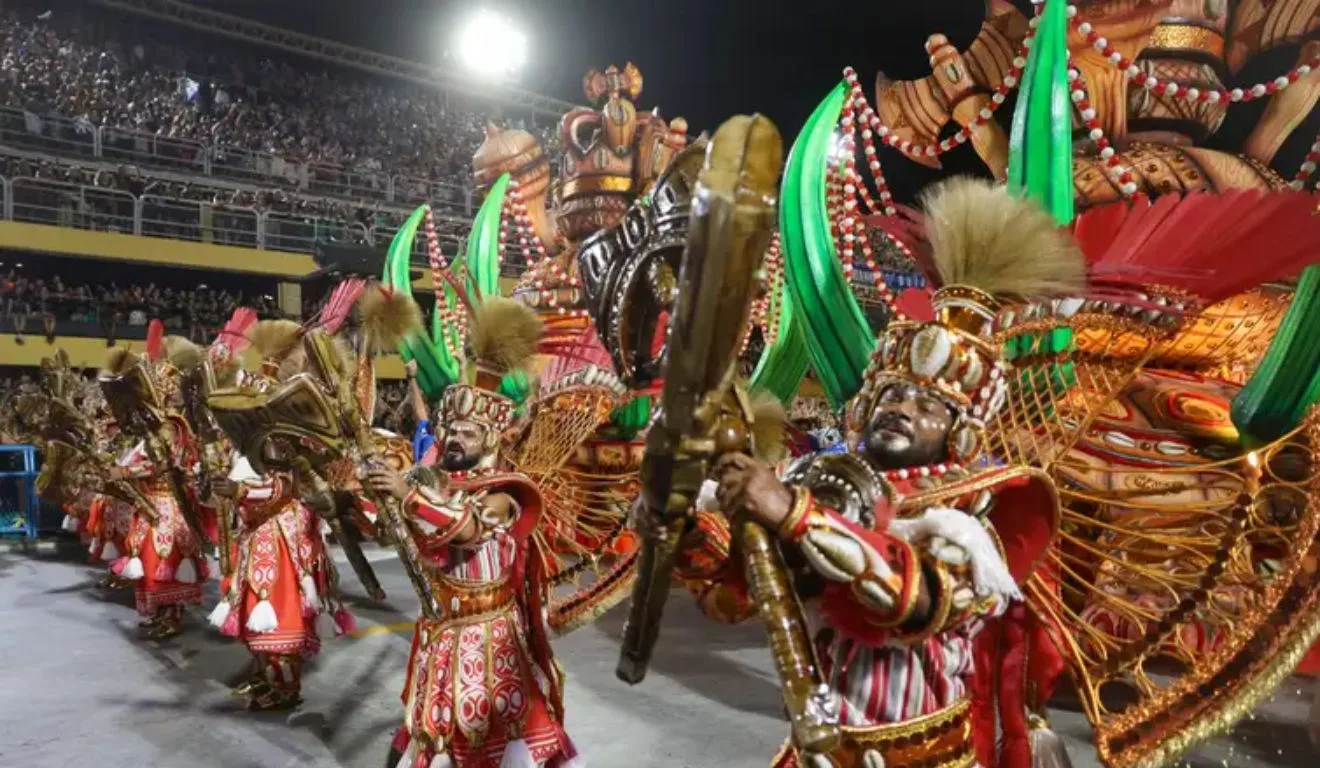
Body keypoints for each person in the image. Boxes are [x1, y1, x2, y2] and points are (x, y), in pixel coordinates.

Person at [656, 178, 1080, 768]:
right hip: (819, 749)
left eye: (927, 405)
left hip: (926, 755)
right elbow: (730, 599)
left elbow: (915, 605)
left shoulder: (981, 511)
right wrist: (681, 510)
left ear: (960, 430)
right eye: (892, 396)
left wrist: (793, 513)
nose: (902, 409)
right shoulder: (824, 477)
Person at [365, 297, 581, 768]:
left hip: (489, 633)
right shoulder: (437, 481)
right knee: (437, 732)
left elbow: (467, 530)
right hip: (441, 628)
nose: (455, 439)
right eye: (452, 430)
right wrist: (371, 501)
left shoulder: (507, 492)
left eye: (468, 431)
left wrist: (406, 493)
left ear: (491, 437)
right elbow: (396, 533)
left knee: (491, 739)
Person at [98, 330, 209, 639]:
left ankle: (172, 613)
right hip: (149, 506)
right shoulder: (148, 426)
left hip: (168, 507)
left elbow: (164, 462)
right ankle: (158, 612)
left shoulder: (173, 425)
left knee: (166, 560)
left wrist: (125, 474)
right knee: (148, 560)